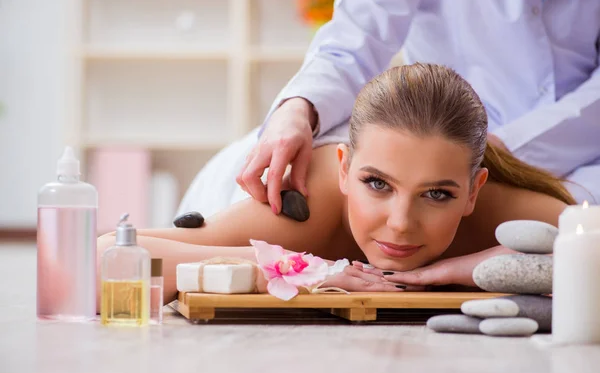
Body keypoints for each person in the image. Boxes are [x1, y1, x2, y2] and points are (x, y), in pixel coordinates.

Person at [98, 63, 575, 306]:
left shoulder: (507, 214)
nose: (401, 224)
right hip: (237, 184)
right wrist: (293, 269)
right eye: (377, 184)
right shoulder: (306, 203)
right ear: (346, 170)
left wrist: (473, 267)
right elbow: (96, 260)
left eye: (437, 194)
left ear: (474, 190)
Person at [236, 0, 600, 213]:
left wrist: (498, 151)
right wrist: (298, 109)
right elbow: (352, 43)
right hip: (437, 140)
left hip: (584, 152)